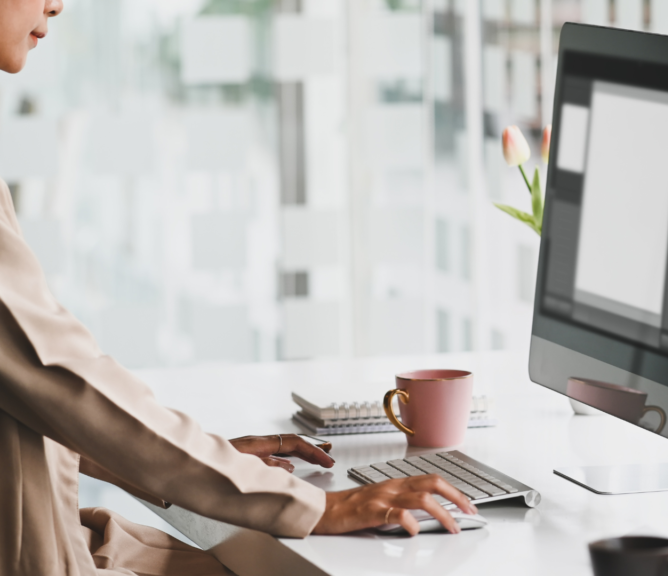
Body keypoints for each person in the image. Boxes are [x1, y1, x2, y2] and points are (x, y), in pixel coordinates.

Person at [0, 2, 476, 575]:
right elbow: (58, 375)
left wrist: (219, 465)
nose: (57, 4)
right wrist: (305, 504)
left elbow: (35, 393)